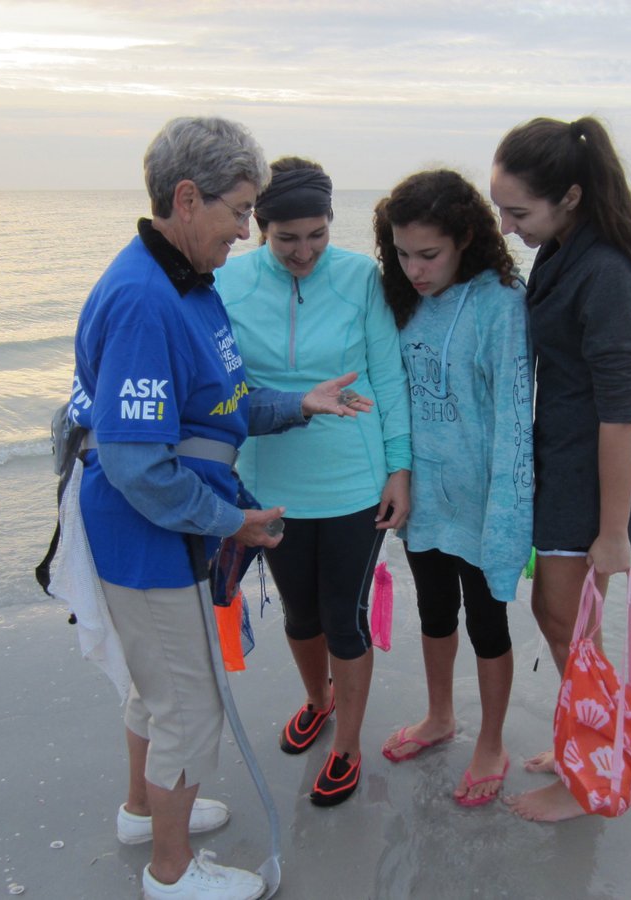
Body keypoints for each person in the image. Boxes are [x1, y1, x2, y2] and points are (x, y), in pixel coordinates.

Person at [68, 118, 371, 900]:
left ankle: (145, 810)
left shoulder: (188, 286)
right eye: (240, 211)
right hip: (148, 536)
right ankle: (171, 875)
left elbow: (224, 403)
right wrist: (228, 521)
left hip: (171, 528)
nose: (247, 229)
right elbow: (137, 462)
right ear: (187, 196)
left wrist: (297, 403)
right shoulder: (143, 299)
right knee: (189, 705)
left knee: (157, 688)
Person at [217, 157, 411, 808]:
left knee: (345, 621)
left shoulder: (360, 278)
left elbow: (387, 379)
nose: (304, 251)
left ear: (332, 225)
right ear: (258, 229)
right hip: (270, 480)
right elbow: (222, 387)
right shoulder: (229, 281)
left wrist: (398, 471)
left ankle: (348, 745)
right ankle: (316, 699)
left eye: (317, 235)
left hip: (354, 482)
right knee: (301, 615)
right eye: (287, 238)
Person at [489, 116, 631, 822]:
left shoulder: (608, 275)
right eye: (500, 208)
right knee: (563, 619)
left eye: (517, 212)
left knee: (566, 621)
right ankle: (586, 739)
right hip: (562, 465)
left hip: (595, 483)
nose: (505, 226)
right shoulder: (565, 248)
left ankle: (589, 774)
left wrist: (614, 532)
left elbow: (622, 416)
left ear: (568, 196)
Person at [371, 170, 533, 807]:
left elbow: (515, 418)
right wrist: (397, 475)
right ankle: (440, 716)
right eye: (402, 253)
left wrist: (507, 515)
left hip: (482, 500)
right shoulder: (402, 298)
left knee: (487, 622)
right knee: (434, 612)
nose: (414, 268)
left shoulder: (500, 304)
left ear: (466, 237)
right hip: (423, 498)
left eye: (428, 254)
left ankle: (490, 740)